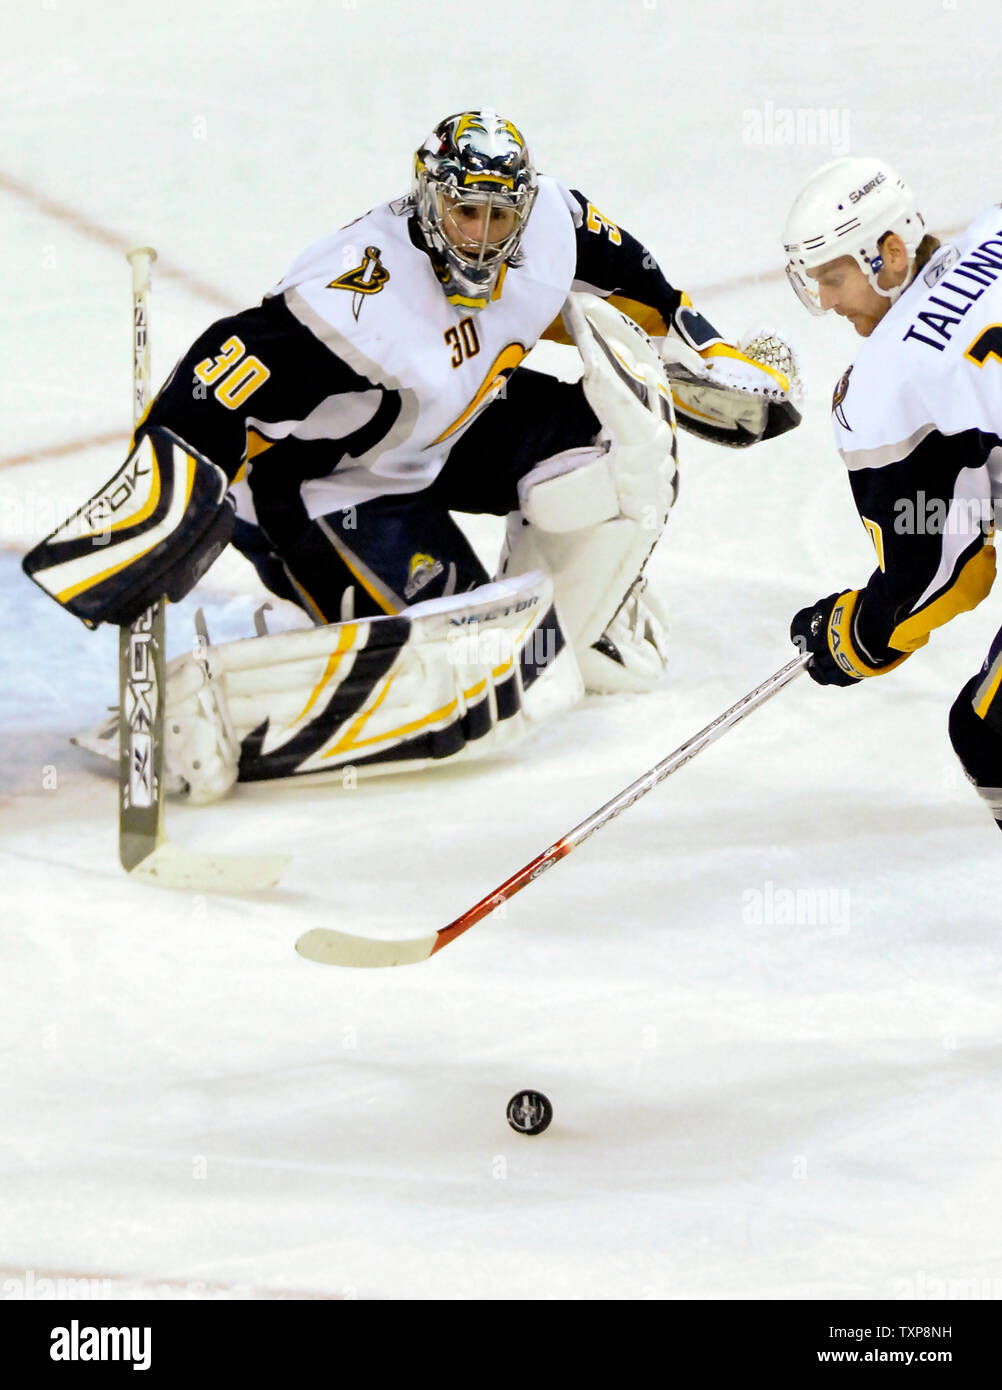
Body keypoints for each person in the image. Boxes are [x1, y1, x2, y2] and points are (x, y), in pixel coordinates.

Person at [25, 109, 800, 800]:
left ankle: (576, 618)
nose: (484, 237)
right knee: (463, 662)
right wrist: (168, 498)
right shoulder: (355, 299)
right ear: (426, 199)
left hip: (446, 428)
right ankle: (207, 716)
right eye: (466, 213)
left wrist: (707, 348)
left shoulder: (549, 226)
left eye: (502, 217)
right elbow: (219, 368)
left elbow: (635, 284)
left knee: (617, 435)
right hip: (326, 483)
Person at [783, 155, 1002, 829]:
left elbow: (945, 574)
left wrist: (858, 634)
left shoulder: (888, 380)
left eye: (834, 276)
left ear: (892, 253)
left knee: (990, 737)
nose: (824, 300)